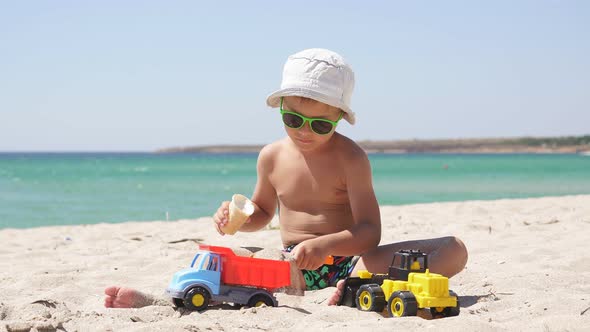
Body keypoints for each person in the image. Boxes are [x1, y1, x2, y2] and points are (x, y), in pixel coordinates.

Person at [104, 48, 468, 308]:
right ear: (281, 108)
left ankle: (356, 286)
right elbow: (263, 211)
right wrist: (239, 219)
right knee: (217, 260)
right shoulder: (272, 156)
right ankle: (155, 301)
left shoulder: (351, 158)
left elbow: (370, 231)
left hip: (349, 261)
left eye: (321, 124)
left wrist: (326, 246)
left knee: (454, 249)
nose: (305, 133)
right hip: (288, 262)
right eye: (293, 120)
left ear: (340, 117)